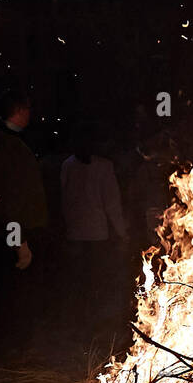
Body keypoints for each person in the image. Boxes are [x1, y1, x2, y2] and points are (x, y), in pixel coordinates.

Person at [0, 90, 49, 357]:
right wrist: (18, 244)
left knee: (20, 296)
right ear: (20, 111)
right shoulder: (5, 145)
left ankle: (19, 347)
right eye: (28, 110)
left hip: (21, 231)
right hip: (16, 236)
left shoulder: (8, 142)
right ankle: (13, 349)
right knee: (15, 296)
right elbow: (6, 201)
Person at [60, 123, 128, 324]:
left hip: (77, 233)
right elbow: (112, 203)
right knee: (96, 278)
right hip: (97, 234)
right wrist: (122, 232)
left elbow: (64, 199)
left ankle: (83, 318)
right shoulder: (103, 166)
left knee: (82, 279)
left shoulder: (67, 164)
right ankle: (94, 319)